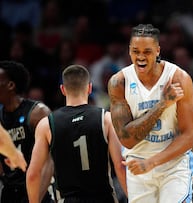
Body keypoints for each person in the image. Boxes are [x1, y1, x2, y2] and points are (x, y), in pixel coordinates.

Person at [107, 23, 193, 203]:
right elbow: (127, 140)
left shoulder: (178, 78)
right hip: (138, 166)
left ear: (158, 50)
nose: (140, 57)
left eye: (147, 52)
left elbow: (190, 136)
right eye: (135, 51)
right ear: (129, 51)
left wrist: (152, 162)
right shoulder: (119, 82)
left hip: (173, 165)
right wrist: (162, 104)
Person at [26, 64, 127, 203]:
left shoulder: (46, 124)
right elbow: (120, 166)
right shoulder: (106, 118)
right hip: (102, 198)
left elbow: (32, 174)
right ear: (89, 88)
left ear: (63, 89)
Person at [0, 60, 53, 203]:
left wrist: (35, 200)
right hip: (9, 191)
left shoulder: (37, 113)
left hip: (37, 189)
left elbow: (50, 160)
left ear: (10, 85)